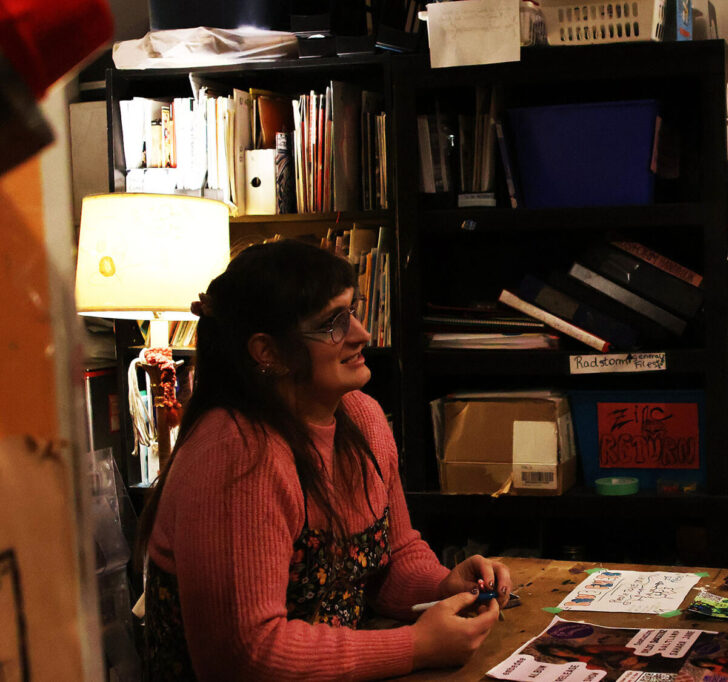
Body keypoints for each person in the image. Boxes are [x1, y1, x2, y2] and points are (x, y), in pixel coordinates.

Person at [136, 239, 511, 680]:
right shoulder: (235, 455)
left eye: (352, 310)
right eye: (333, 323)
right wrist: (417, 646)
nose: (361, 333)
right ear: (268, 352)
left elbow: (393, 558)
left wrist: (444, 586)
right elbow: (247, 656)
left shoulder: (363, 416)